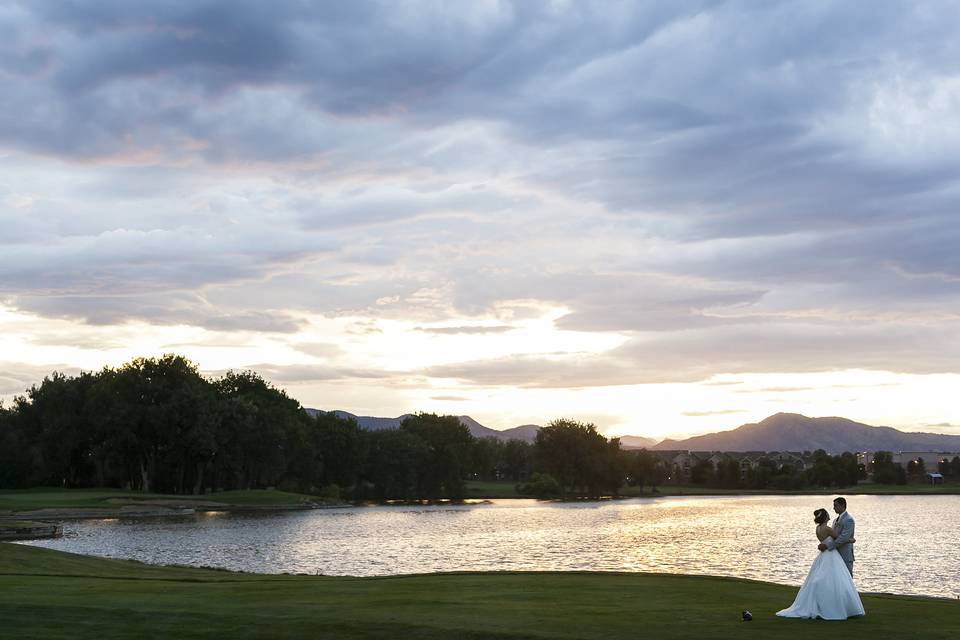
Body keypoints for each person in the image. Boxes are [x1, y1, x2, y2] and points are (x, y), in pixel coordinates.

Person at [775, 505, 865, 620]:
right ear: (825, 516)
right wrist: (851, 540)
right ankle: (835, 605)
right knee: (835, 579)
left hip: (823, 555)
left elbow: (827, 540)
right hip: (831, 555)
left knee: (822, 577)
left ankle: (823, 604)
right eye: (827, 513)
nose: (829, 513)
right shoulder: (827, 528)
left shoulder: (818, 528)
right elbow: (838, 538)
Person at [818, 496, 855, 575]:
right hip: (835, 554)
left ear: (842, 506)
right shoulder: (835, 520)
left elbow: (843, 538)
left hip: (845, 554)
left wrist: (827, 546)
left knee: (847, 577)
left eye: (835, 505)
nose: (834, 508)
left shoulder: (849, 520)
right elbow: (832, 536)